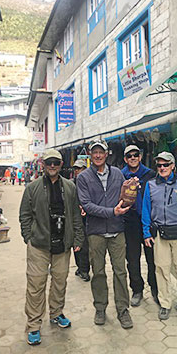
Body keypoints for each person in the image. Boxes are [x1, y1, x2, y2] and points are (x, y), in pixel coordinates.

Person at [19, 149, 85, 345]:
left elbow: (75, 215)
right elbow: (25, 215)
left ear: (61, 163)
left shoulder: (70, 187)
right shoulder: (32, 188)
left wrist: (78, 238)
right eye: (49, 162)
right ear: (43, 164)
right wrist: (29, 237)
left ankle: (56, 313)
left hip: (62, 244)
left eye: (56, 162)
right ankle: (33, 324)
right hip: (39, 245)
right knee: (36, 284)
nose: (53, 166)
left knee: (60, 281)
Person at [76, 139, 133, 329]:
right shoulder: (83, 177)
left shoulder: (117, 173)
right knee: (98, 272)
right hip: (96, 232)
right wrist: (111, 212)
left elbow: (124, 197)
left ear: (107, 153)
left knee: (120, 271)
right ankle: (100, 307)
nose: (98, 155)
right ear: (90, 155)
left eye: (101, 152)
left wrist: (132, 189)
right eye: (95, 152)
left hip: (117, 231)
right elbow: (87, 205)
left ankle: (123, 309)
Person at [142, 151, 177, 327]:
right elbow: (146, 209)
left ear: (173, 166)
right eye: (159, 165)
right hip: (159, 234)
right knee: (161, 269)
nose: (162, 168)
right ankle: (165, 303)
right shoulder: (150, 185)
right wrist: (146, 232)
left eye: (166, 164)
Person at [121, 144, 158, 307]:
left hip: (149, 222)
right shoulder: (120, 176)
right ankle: (137, 289)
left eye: (136, 154)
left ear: (140, 156)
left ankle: (156, 289)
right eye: (129, 155)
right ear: (125, 159)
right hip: (130, 222)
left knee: (153, 258)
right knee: (132, 258)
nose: (133, 158)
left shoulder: (150, 174)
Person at [71, 159, 90, 282]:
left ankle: (85, 269)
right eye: (76, 169)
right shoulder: (71, 184)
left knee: (85, 244)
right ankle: (79, 267)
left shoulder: (90, 182)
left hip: (87, 218)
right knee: (76, 244)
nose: (77, 171)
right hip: (74, 217)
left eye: (79, 168)